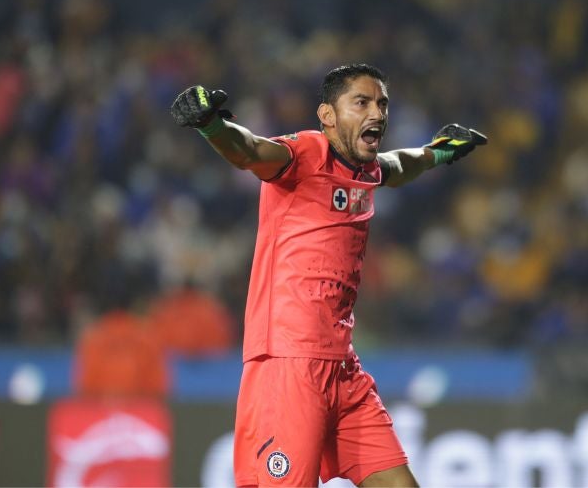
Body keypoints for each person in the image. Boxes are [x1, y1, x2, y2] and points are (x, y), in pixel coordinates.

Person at [170, 64, 486, 487]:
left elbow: (398, 165)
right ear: (327, 115)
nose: (377, 113)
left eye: (382, 103)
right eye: (362, 102)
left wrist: (438, 152)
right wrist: (211, 125)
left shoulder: (365, 169)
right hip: (288, 362)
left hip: (342, 368)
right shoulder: (305, 153)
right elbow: (250, 150)